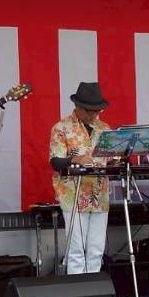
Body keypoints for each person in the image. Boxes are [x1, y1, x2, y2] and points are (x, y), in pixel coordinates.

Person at [48, 82, 111, 274]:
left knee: (96, 249)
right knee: (76, 250)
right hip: (73, 194)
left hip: (99, 193)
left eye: (97, 111)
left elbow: (112, 157)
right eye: (89, 111)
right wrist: (75, 159)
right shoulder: (61, 128)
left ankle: (95, 294)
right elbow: (55, 162)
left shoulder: (104, 127)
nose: (94, 115)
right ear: (77, 106)